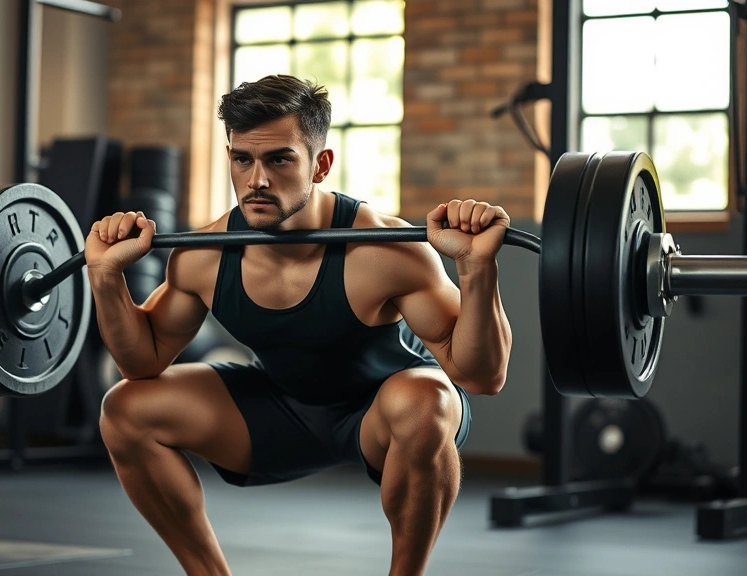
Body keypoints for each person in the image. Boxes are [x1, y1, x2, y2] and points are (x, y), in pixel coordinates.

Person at [86, 74, 513, 576]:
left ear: (320, 164)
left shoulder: (385, 249)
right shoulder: (203, 254)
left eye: (279, 160)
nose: (256, 180)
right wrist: (106, 277)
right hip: (281, 411)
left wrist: (476, 270)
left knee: (427, 401)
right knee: (126, 408)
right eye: (242, 159)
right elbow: (141, 362)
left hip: (384, 414)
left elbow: (481, 377)